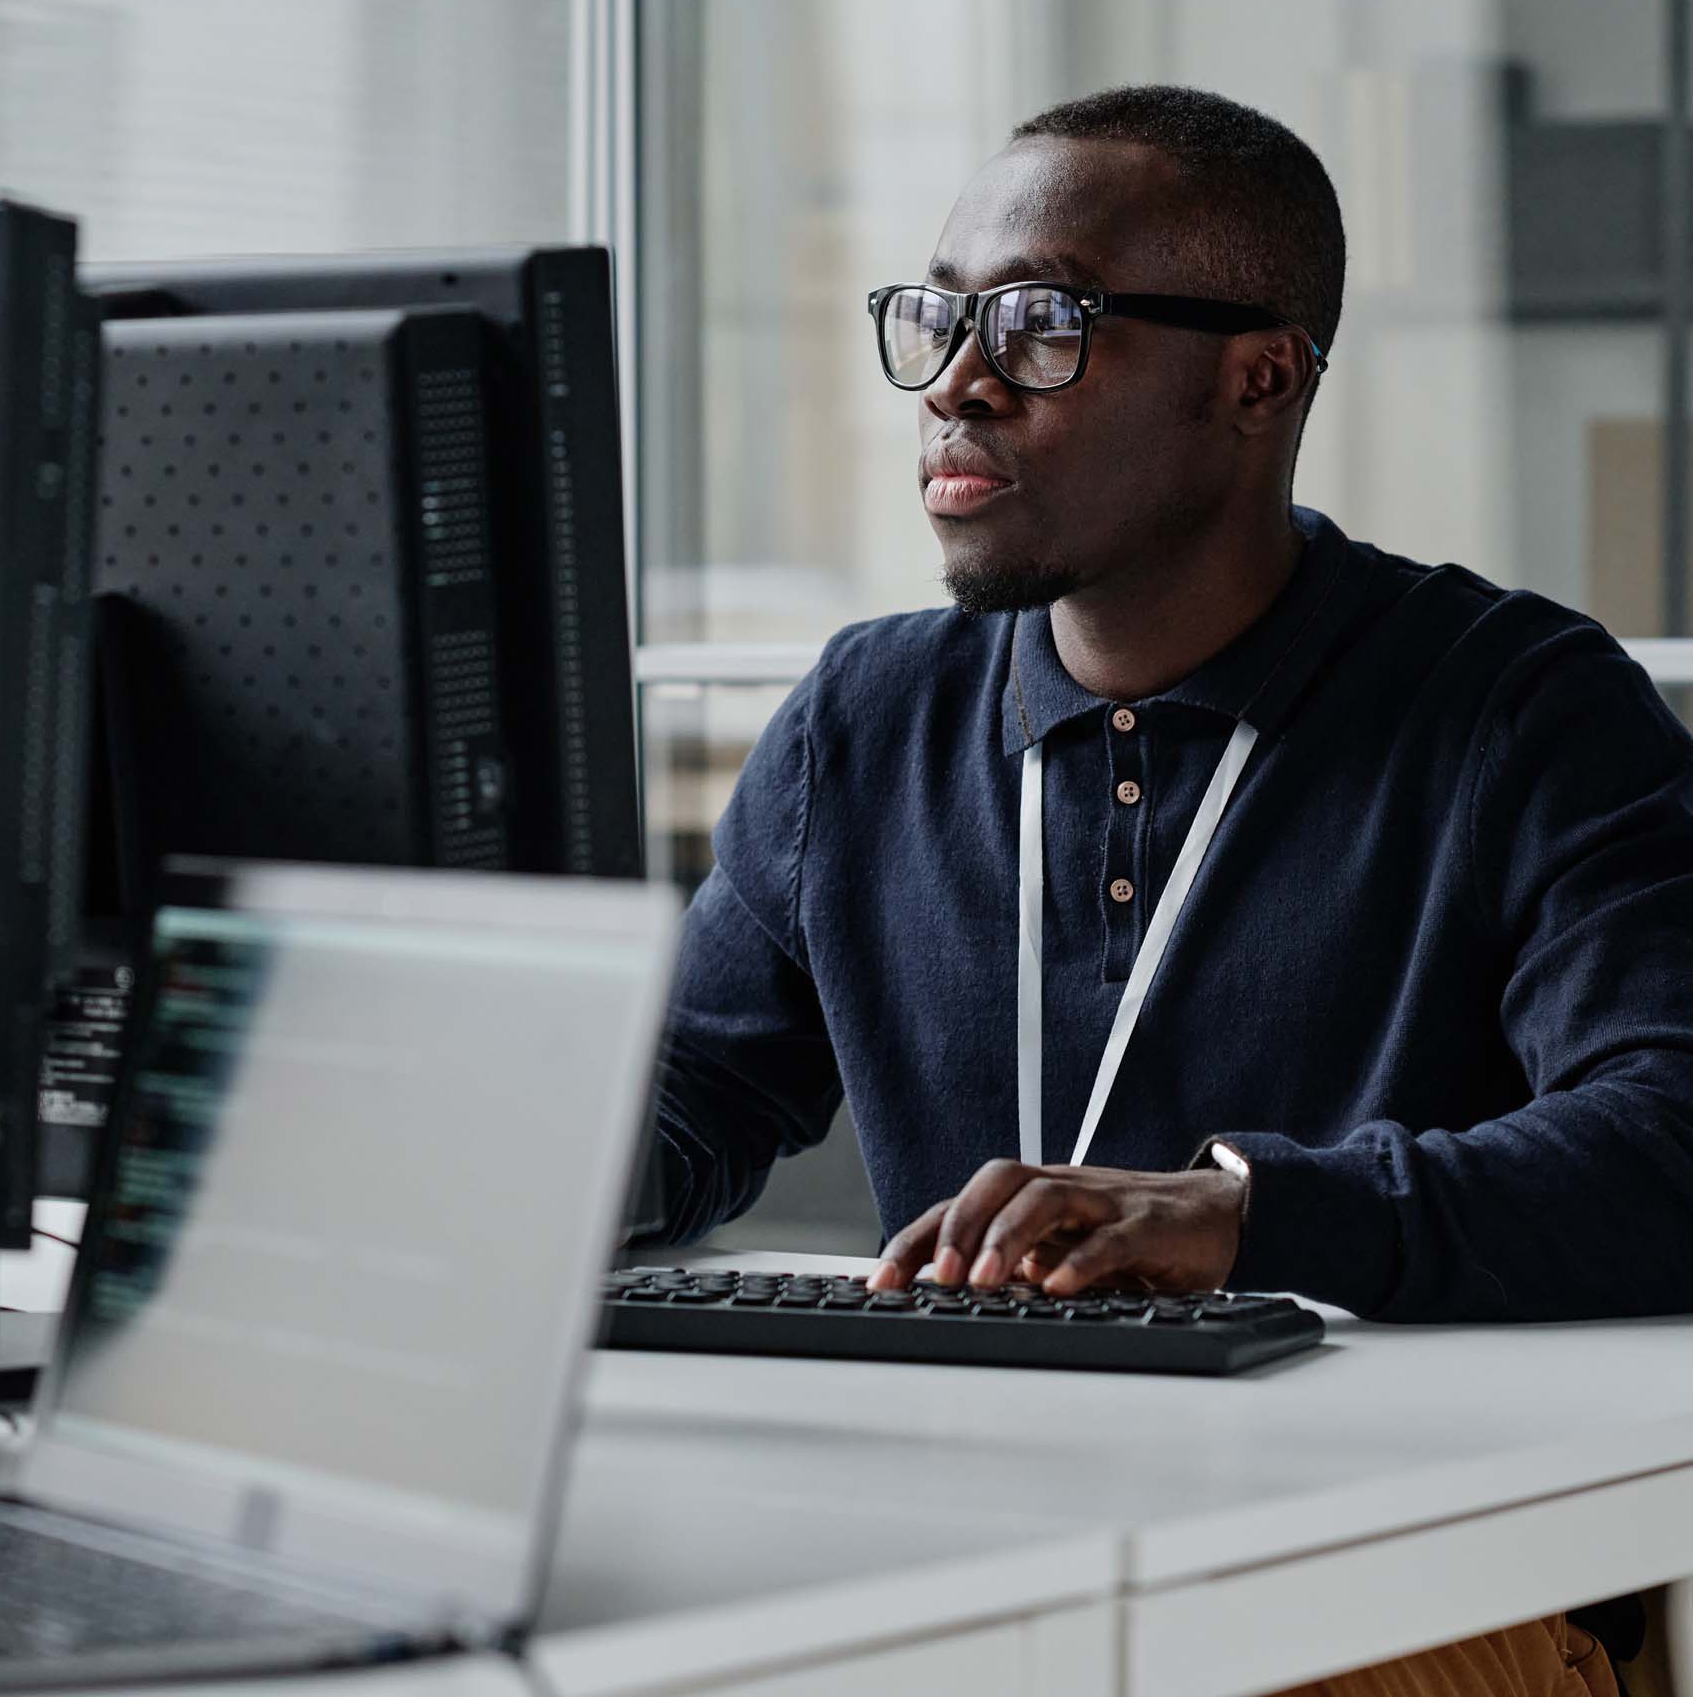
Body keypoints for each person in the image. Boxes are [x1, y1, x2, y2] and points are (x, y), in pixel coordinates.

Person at [650, 85, 1690, 1692]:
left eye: (1044, 324)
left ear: (1258, 379)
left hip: (1405, 1580)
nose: (957, 381)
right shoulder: (864, 722)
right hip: (968, 1546)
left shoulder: (1514, 707)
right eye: (935, 317)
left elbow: (1670, 1139)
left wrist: (1247, 1215)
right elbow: (685, 1100)